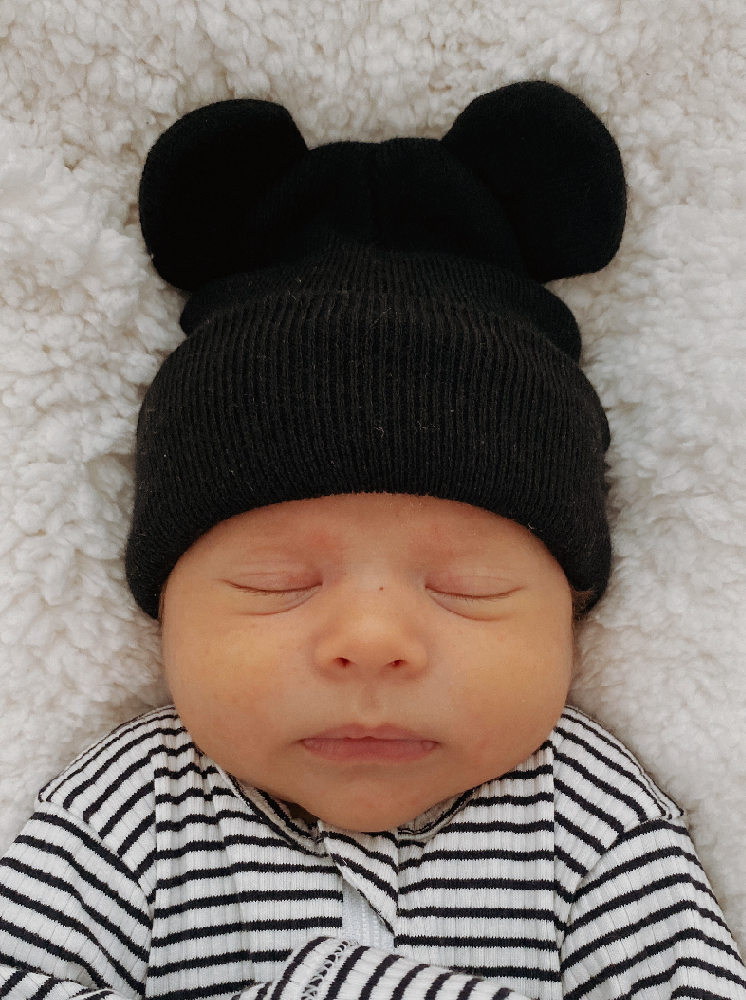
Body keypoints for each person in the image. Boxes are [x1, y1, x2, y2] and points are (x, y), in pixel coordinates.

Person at [0, 80, 744, 1000]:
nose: (372, 643)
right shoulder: (129, 806)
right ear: (164, 615)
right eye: (277, 582)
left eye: (467, 586)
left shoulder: (590, 811)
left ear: (574, 617)